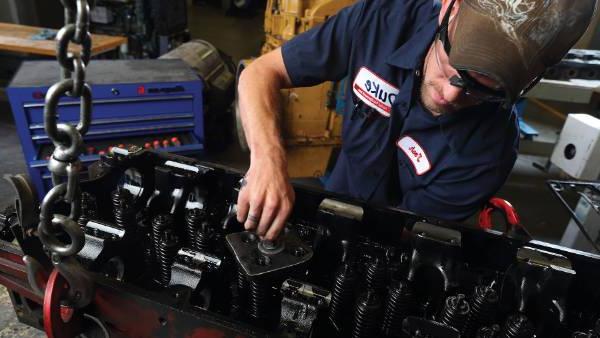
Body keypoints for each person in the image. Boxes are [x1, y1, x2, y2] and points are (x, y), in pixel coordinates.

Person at [235, 0, 597, 240]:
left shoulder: (487, 153)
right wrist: (268, 160)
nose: (452, 96)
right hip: (338, 190)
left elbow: (409, 237)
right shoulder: (382, 20)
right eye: (451, 68)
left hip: (393, 239)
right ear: (447, 11)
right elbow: (259, 74)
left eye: (481, 91)